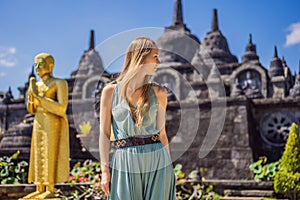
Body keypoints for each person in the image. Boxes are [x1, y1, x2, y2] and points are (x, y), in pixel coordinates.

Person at [99, 37, 176, 199]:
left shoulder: (159, 93)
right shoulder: (110, 92)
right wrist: (105, 170)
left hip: (157, 159)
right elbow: (104, 134)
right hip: (124, 159)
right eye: (155, 57)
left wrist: (170, 170)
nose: (159, 62)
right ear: (140, 57)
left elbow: (162, 134)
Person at [22, 53, 70, 199]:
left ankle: (50, 187)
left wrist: (38, 97)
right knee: (38, 153)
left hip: (52, 121)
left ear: (50, 65)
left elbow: (62, 108)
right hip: (39, 120)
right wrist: (31, 97)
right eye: (35, 64)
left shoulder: (59, 83)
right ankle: (39, 186)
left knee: (50, 152)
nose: (37, 67)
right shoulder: (36, 85)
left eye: (41, 64)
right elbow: (31, 109)